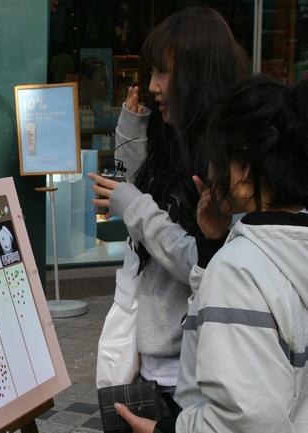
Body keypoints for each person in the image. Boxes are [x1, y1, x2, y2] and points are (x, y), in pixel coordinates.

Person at [115, 75, 308, 433]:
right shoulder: (289, 247)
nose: (210, 171)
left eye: (217, 159)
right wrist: (211, 246)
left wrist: (162, 431)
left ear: (244, 172)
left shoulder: (239, 271)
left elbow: (246, 421)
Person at [88, 5, 249, 416]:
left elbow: (205, 263)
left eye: (163, 72)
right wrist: (131, 127)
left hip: (191, 372)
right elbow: (140, 193)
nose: (152, 85)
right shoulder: (175, 141)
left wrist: (133, 206)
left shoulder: (229, 165)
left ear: (196, 73)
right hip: (153, 362)